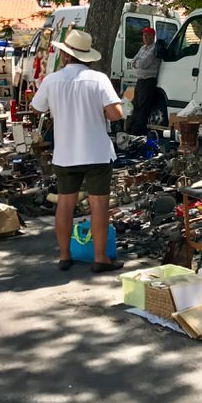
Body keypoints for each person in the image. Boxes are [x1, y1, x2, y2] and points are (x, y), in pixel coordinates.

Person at [31, 30, 125, 273]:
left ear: (66, 55)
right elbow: (116, 114)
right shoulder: (98, 79)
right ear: (87, 56)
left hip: (65, 152)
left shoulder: (52, 80)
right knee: (99, 206)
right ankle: (100, 258)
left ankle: (64, 255)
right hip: (96, 152)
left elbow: (37, 108)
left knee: (65, 204)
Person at [128, 27, 161, 135]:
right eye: (144, 35)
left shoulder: (154, 49)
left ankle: (138, 132)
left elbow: (143, 64)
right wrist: (136, 63)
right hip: (140, 81)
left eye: (148, 35)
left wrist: (136, 63)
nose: (145, 37)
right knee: (136, 105)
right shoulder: (143, 48)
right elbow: (133, 61)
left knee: (143, 108)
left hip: (148, 81)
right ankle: (131, 129)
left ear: (153, 36)